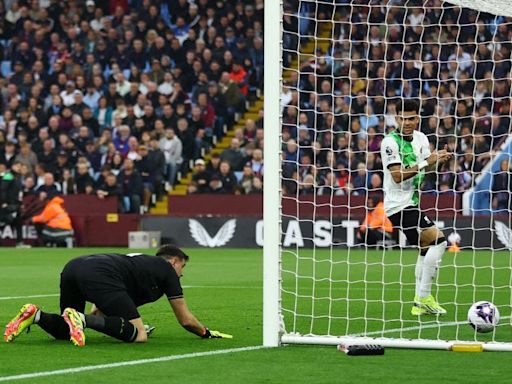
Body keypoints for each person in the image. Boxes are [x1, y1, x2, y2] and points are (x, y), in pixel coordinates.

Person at [4, 245, 232, 347]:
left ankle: (36, 315)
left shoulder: (142, 265)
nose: (181, 273)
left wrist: (92, 318)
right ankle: (79, 320)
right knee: (139, 335)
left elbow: (101, 309)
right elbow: (184, 319)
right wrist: (205, 332)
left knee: (67, 328)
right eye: (182, 267)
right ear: (173, 262)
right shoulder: (166, 270)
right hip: (99, 272)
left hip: (75, 266)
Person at [380, 99, 452, 316]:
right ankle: (424, 298)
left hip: (412, 202)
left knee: (426, 248)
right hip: (397, 206)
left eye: (412, 118)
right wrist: (426, 162)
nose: (408, 122)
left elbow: (426, 174)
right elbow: (397, 175)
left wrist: (439, 162)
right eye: (403, 118)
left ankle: (418, 303)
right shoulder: (389, 143)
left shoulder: (421, 138)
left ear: (417, 118)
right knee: (438, 240)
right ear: (396, 118)